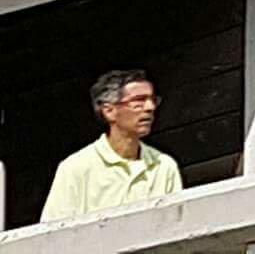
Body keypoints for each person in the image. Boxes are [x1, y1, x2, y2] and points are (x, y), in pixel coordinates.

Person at [40, 69, 183, 222]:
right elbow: (53, 234)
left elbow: (177, 223)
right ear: (109, 111)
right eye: (138, 101)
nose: (150, 107)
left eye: (153, 100)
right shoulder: (76, 168)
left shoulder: (164, 166)